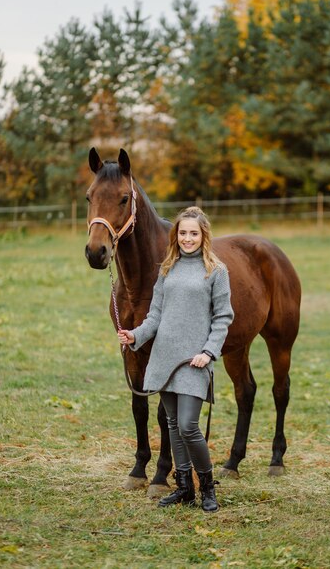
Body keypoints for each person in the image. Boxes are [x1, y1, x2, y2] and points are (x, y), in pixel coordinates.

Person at [117, 206, 234, 512]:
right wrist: (135, 336)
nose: (187, 238)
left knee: (187, 425)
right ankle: (183, 489)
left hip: (194, 360)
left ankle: (206, 488)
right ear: (176, 235)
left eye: (193, 233)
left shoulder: (216, 271)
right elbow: (155, 315)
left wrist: (208, 352)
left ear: (203, 235)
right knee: (171, 424)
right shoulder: (167, 268)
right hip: (165, 355)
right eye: (182, 233)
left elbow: (223, 317)